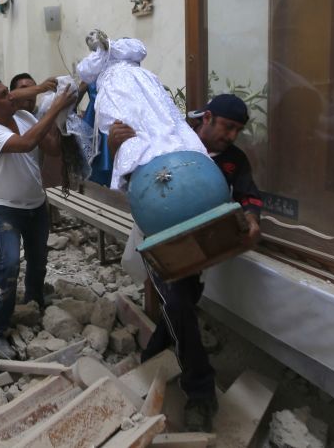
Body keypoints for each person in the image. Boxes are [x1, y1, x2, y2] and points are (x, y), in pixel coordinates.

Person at [108, 93, 262, 431]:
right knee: (178, 302)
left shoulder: (234, 159)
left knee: (182, 303)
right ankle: (201, 390)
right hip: (161, 242)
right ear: (206, 118)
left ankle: (154, 357)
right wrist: (114, 147)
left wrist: (251, 218)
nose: (232, 135)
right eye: (227, 126)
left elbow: (249, 194)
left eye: (238, 130)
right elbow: (127, 176)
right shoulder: (168, 139)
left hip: (202, 246)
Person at [0, 77, 76, 360]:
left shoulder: (24, 115)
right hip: (5, 207)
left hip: (35, 203)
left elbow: (52, 149)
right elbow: (26, 143)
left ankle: (33, 302)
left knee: (38, 258)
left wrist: (50, 102)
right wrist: (54, 107)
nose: (12, 98)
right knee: (7, 263)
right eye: (5, 95)